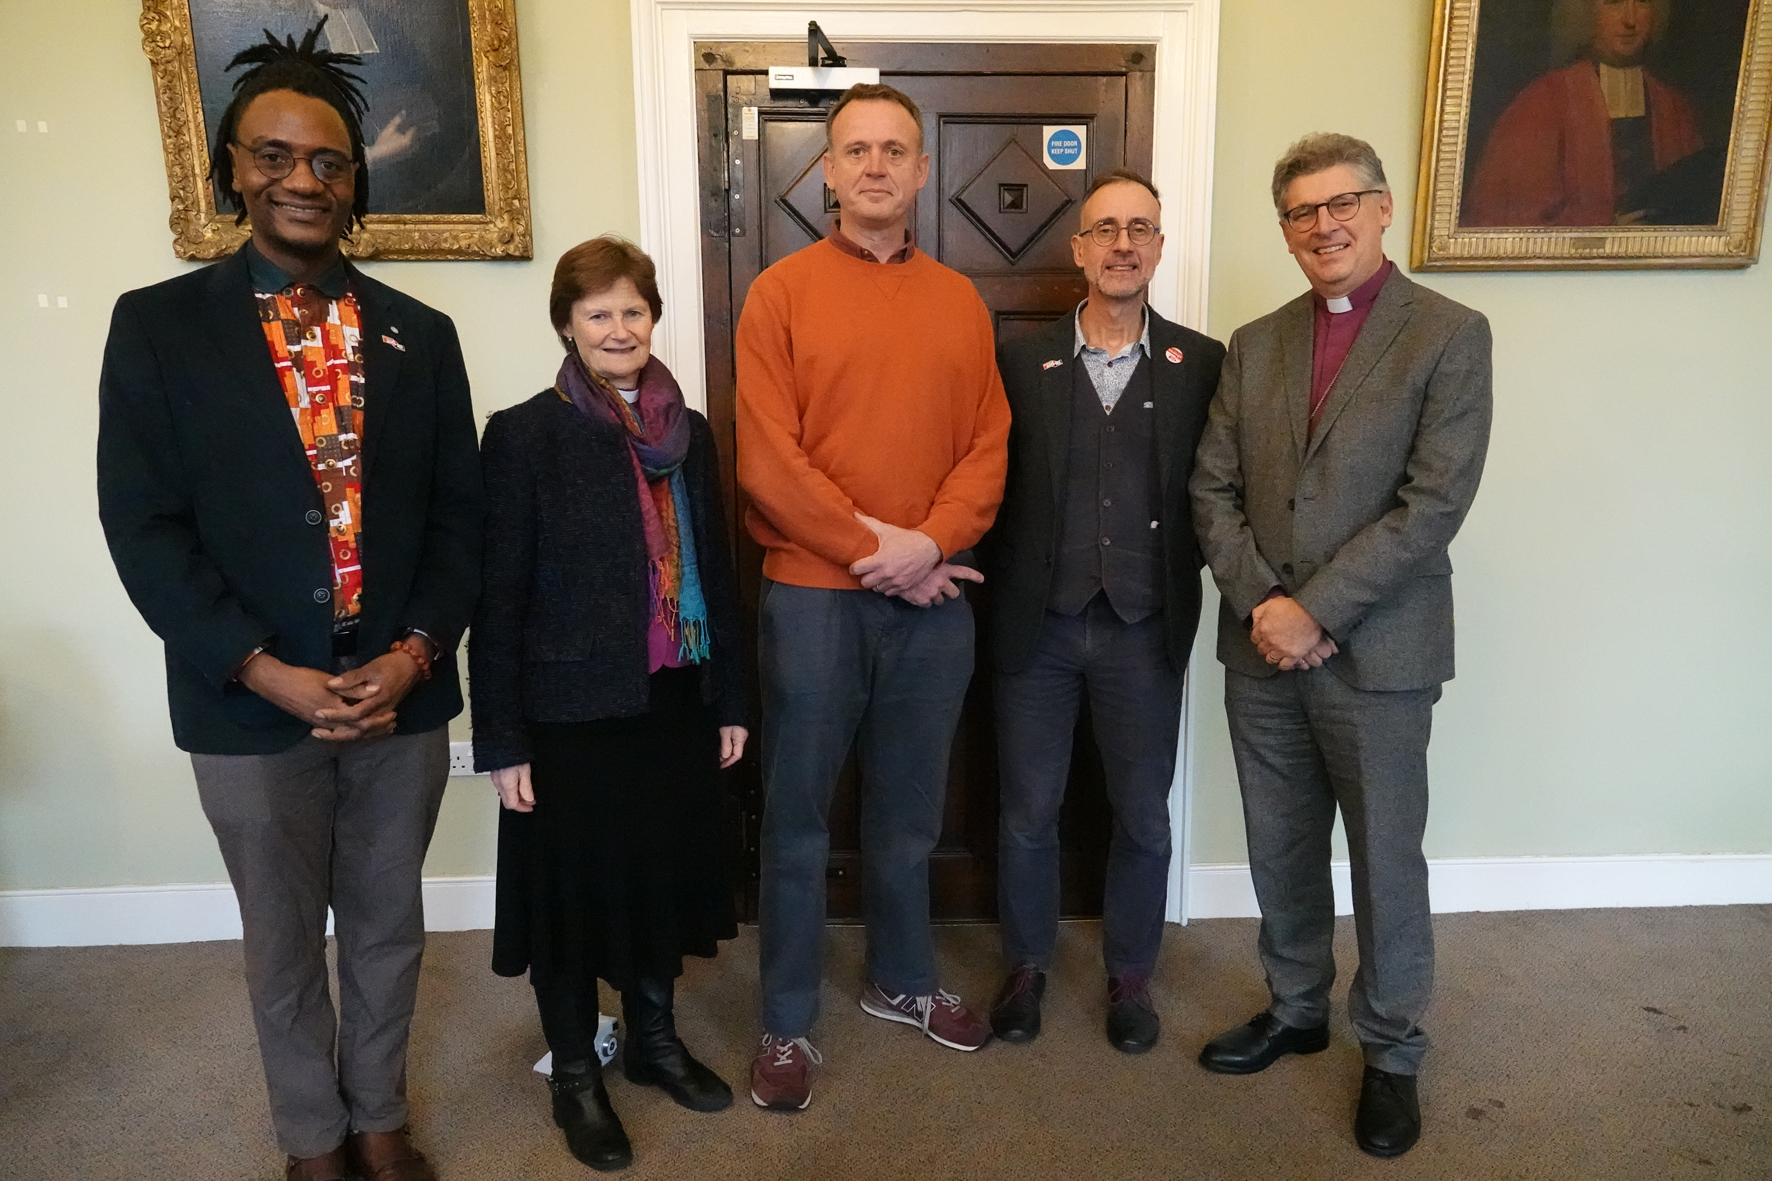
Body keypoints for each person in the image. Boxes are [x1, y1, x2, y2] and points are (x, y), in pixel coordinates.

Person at [96, 23, 482, 1181]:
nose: (302, 180)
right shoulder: (158, 328)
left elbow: (462, 520)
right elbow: (143, 525)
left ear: (354, 180)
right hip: (249, 701)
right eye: (275, 155)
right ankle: (312, 1140)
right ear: (231, 168)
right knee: (280, 940)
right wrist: (262, 666)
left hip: (395, 694)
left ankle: (378, 1119)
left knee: (385, 926)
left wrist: (416, 653)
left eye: (326, 161)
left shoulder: (425, 335)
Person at [1189, 133, 1492, 1158]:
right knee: (1278, 842)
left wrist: (1313, 608)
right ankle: (1294, 1004)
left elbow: (1430, 504)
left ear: (1381, 207)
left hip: (1379, 653)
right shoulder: (1257, 339)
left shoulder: (1450, 333)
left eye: (1341, 203)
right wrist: (1264, 602)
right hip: (1258, 647)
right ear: (1282, 229)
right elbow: (1211, 489)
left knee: (1382, 859)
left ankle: (1392, 1046)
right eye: (1300, 211)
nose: (1323, 225)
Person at [735, 83, 1011, 1111]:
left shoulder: (959, 301)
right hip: (811, 599)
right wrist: (876, 550)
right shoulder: (779, 293)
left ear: (922, 169)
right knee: (799, 819)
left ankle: (900, 977)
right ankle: (785, 1021)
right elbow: (769, 463)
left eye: (894, 149)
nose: (875, 166)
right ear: (826, 171)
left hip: (935, 600)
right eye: (856, 150)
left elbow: (988, 444)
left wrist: (932, 541)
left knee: (907, 813)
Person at [470, 237, 748, 1172]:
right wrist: (500, 739)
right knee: (570, 902)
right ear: (567, 326)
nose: (619, 328)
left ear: (653, 318)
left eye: (633, 311)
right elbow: (496, 595)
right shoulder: (523, 433)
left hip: (672, 699)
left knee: (657, 878)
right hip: (567, 714)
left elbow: (717, 563)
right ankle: (574, 1079)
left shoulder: (691, 431)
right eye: (598, 314)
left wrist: (729, 699)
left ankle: (655, 1041)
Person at [984, 169, 1223, 1053]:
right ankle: (1026, 968)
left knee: (1145, 815)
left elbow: (1219, 490)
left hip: (1142, 628)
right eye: (1106, 229)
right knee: (1027, 810)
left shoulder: (1202, 363)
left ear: (1160, 246)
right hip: (1036, 628)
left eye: (1141, 229)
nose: (1124, 244)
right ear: (1079, 248)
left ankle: (1131, 976)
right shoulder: (1019, 359)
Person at [1464, 0, 1704, 226]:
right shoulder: (1544, 100)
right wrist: (1601, 226)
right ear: (1585, 10)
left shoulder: (1672, 107)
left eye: (1642, 2)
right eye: (1613, 2)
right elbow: (1503, 213)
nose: (1630, 20)